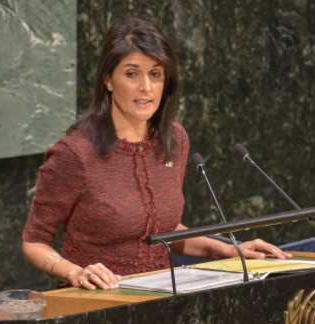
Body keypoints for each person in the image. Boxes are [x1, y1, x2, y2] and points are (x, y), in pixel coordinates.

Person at [22, 17, 290, 290]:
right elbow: (34, 241)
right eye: (131, 74)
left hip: (158, 301)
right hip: (93, 305)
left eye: (155, 74)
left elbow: (164, 231)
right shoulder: (75, 153)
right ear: (108, 80)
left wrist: (230, 249)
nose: (146, 88)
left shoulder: (174, 140)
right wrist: (73, 272)